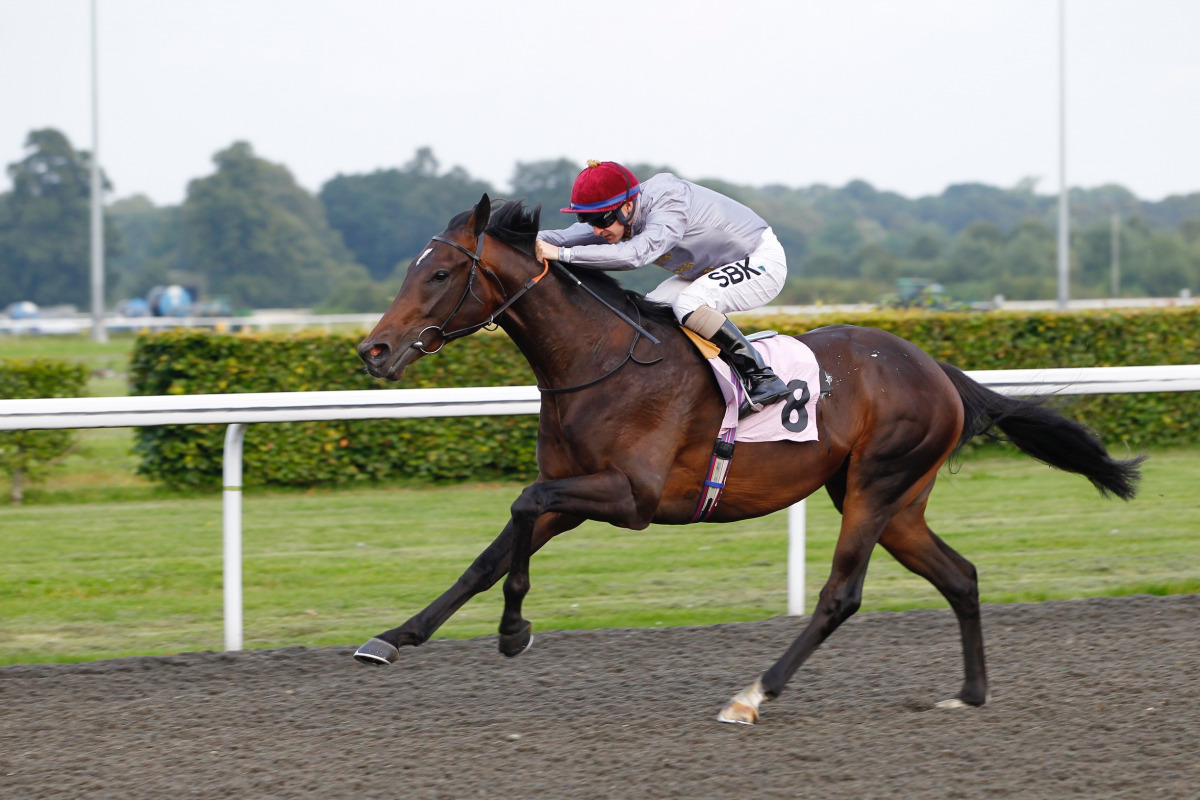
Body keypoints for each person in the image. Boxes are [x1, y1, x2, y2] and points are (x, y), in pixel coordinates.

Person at [534, 160, 790, 416]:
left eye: (601, 220)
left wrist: (562, 255)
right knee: (645, 315)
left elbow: (635, 255)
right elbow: (558, 238)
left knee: (688, 304)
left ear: (627, 206)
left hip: (758, 260)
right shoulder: (617, 215)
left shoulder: (669, 201)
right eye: (590, 221)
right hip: (705, 271)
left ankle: (762, 377)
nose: (597, 230)